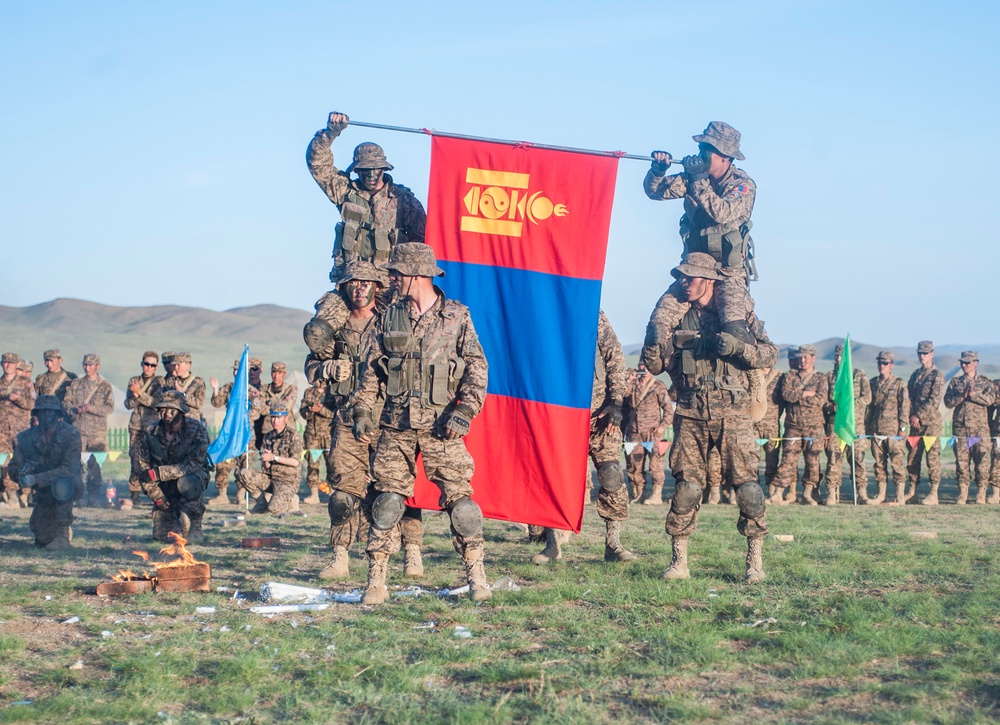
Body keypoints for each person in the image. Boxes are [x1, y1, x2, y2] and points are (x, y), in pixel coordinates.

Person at [352, 243, 490, 604]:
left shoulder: (457, 315)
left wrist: (466, 410)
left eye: (396, 273)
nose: (391, 279)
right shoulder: (387, 316)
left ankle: (476, 575)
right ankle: (376, 580)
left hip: (442, 425)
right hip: (396, 425)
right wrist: (363, 412)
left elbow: (477, 366)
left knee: (462, 504)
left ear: (415, 275)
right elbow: (370, 371)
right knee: (386, 502)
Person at [641, 252, 776, 583]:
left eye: (690, 277)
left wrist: (739, 349)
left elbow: (769, 353)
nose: (683, 283)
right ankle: (679, 562)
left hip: (734, 412)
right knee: (686, 487)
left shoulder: (738, 316)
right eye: (682, 277)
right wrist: (653, 341)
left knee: (747, 488)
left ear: (710, 281)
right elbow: (657, 365)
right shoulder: (679, 318)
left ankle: (754, 561)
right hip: (690, 411)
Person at [304, 260, 426, 582]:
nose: (358, 288)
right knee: (343, 492)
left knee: (397, 489)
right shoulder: (337, 328)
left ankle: (412, 551)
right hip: (346, 418)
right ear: (345, 287)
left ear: (376, 287)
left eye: (365, 282)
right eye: (352, 283)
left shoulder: (392, 323)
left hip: (389, 419)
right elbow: (311, 365)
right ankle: (340, 557)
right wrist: (327, 370)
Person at [532, 310, 635, 565]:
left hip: (601, 415)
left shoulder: (593, 311)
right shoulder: (545, 310)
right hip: (561, 413)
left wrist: (616, 404)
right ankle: (553, 543)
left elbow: (615, 359)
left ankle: (613, 543)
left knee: (611, 474)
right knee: (556, 478)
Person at [643, 122, 757, 346]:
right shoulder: (693, 179)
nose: (701, 154)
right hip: (693, 269)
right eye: (701, 149)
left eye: (707, 150)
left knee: (735, 335)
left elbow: (723, 213)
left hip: (727, 272)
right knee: (658, 325)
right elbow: (655, 192)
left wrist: (698, 181)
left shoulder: (742, 185)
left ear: (725, 156)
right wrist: (658, 170)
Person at [307, 111, 427, 283]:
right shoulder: (344, 192)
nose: (371, 175)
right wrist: (330, 132)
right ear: (357, 170)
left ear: (384, 169)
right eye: (365, 170)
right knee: (327, 311)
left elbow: (421, 243)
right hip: (351, 283)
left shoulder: (404, 200)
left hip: (391, 287)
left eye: (376, 169)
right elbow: (317, 164)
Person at [7, 396, 83, 549]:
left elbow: (69, 469)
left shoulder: (71, 434)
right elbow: (13, 468)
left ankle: (63, 535)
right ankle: (54, 531)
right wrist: (21, 474)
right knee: (42, 538)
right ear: (37, 414)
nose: (47, 415)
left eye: (51, 412)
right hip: (43, 490)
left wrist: (35, 478)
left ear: (58, 414)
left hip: (69, 485)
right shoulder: (26, 438)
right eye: (43, 412)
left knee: (62, 485)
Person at [137, 391, 210, 542]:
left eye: (172, 409)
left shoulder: (197, 429)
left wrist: (159, 473)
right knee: (163, 537)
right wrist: (157, 497)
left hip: (191, 479)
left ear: (181, 411)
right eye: (163, 409)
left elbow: (192, 464)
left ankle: (193, 523)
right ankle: (172, 516)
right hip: (163, 487)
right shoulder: (151, 432)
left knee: (187, 484)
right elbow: (144, 470)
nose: (167, 413)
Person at [770, 345, 828, 506]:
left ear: (813, 358)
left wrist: (799, 396)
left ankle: (809, 493)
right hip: (793, 425)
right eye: (800, 357)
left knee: (813, 461)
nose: (802, 361)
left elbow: (820, 400)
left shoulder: (821, 378)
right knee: (787, 459)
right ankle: (779, 492)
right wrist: (807, 394)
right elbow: (787, 395)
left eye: (806, 357)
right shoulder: (790, 376)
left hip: (814, 427)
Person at [208, 357, 265, 505]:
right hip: (230, 433)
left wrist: (242, 418)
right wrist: (215, 389)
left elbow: (257, 412)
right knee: (223, 462)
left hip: (245, 434)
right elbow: (216, 403)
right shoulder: (228, 388)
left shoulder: (252, 392)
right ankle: (222, 494)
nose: (236, 373)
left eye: (239, 370)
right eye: (234, 370)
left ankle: (241, 494)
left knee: (244, 464)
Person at [63, 354, 115, 508]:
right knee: (75, 466)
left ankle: (93, 497)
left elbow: (109, 408)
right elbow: (65, 403)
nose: (87, 368)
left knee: (94, 466)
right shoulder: (76, 384)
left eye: (91, 365)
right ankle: (77, 496)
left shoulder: (104, 386)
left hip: (96, 433)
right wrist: (74, 409)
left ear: (97, 366)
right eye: (85, 365)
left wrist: (90, 408)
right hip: (77, 430)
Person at [822, 344, 871, 504]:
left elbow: (867, 397)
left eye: (842, 356)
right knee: (834, 460)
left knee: (858, 459)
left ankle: (862, 493)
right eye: (837, 356)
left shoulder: (859, 375)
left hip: (855, 425)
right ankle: (831, 493)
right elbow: (824, 402)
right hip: (836, 426)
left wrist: (852, 404)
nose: (839, 359)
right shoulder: (829, 377)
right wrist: (832, 407)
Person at [944, 351, 995, 505]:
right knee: (961, 463)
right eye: (962, 363)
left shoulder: (985, 382)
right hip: (961, 429)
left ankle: (980, 493)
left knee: (982, 462)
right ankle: (963, 493)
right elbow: (947, 402)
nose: (964, 365)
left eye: (967, 362)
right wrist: (960, 397)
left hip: (980, 430)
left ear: (975, 363)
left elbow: (990, 400)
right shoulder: (955, 382)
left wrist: (972, 395)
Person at [236, 404, 304, 516]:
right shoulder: (268, 436)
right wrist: (265, 461)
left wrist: (274, 457)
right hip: (270, 478)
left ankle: (292, 500)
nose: (275, 421)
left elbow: (295, 462)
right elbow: (266, 467)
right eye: (273, 417)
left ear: (285, 419)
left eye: (278, 418)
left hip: (287, 481)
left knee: (273, 509)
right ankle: (261, 503)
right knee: (244, 473)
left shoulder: (294, 436)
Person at [623, 363, 673, 505]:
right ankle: (638, 494)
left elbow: (669, 409)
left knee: (655, 464)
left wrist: (662, 427)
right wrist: (629, 380)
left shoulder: (658, 385)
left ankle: (656, 495)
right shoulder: (633, 384)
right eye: (640, 365)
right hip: (634, 432)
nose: (643, 368)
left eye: (646, 366)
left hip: (653, 432)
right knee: (634, 465)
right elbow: (622, 396)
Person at [865, 351, 910, 505]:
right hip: (876, 430)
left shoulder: (899, 383)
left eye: (885, 363)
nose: (882, 366)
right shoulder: (872, 383)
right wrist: (867, 428)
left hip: (893, 431)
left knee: (897, 463)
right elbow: (869, 408)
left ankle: (899, 496)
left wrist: (902, 427)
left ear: (891, 365)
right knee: (879, 464)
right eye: (879, 363)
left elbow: (905, 406)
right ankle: (881, 494)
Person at [907, 341, 946, 505]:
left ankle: (933, 493)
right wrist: (910, 416)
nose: (922, 356)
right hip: (914, 425)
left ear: (932, 354)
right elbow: (908, 397)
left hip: (930, 424)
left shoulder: (937, 375)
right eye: (920, 353)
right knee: (912, 458)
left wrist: (919, 416)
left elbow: (934, 400)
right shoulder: (915, 374)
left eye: (925, 353)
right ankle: (912, 491)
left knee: (932, 459)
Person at [124, 351, 164, 506]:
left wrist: (139, 393)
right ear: (142, 364)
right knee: (135, 460)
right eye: (146, 364)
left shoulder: (159, 382)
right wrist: (136, 397)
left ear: (156, 367)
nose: (149, 367)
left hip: (152, 427)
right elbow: (128, 404)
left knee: (153, 461)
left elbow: (156, 403)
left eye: (152, 365)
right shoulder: (134, 380)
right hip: (136, 426)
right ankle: (134, 493)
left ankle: (155, 495)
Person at [1, 352, 35, 507]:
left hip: (20, 430)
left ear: (16, 365)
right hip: (2, 431)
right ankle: (11, 494)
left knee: (24, 461)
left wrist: (19, 399)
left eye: (11, 363)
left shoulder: (25, 382)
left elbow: (32, 404)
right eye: (5, 363)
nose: (7, 365)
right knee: (5, 463)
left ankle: (25, 493)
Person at [299, 379, 335, 505]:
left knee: (332, 464)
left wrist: (321, 410)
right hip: (312, 435)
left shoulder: (333, 391)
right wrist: (310, 410)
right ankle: (314, 494)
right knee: (312, 464)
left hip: (329, 434)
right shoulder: (309, 392)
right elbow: (302, 412)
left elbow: (336, 413)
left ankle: (332, 493)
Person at [755, 367, 783, 495]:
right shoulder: (752, 374)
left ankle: (771, 488)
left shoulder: (780, 377)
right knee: (751, 459)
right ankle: (752, 488)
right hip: (753, 424)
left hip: (772, 426)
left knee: (772, 458)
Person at [163, 352, 206, 422]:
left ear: (188, 365)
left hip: (191, 423)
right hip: (173, 423)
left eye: (179, 365)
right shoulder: (171, 381)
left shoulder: (198, 382)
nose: (176, 368)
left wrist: (183, 395)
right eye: (174, 365)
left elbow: (199, 403)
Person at [260, 362, 298, 436]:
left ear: (284, 374)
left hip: (286, 432)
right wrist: (282, 403)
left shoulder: (290, 389)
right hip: (267, 431)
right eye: (274, 372)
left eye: (279, 373)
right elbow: (262, 410)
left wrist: (270, 403)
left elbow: (287, 407)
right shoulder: (264, 389)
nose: (276, 376)